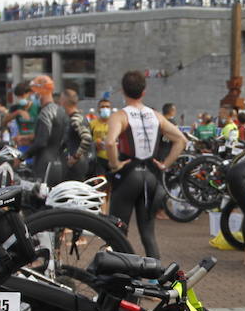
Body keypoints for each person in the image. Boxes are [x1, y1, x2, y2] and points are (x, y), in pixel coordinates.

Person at [105, 70, 186, 258]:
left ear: (123, 91)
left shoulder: (120, 116)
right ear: (144, 92)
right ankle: (154, 281)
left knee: (118, 232)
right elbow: (181, 140)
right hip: (151, 176)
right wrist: (165, 164)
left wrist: (115, 163)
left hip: (128, 176)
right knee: (148, 234)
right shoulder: (157, 116)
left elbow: (110, 142)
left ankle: (121, 278)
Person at [27, 75, 66, 183]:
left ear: (41, 92)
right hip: (58, 161)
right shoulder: (59, 110)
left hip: (44, 162)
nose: (33, 95)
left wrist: (22, 157)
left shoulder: (46, 113)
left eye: (34, 92)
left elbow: (41, 142)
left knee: (40, 197)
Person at [62, 89, 94, 182]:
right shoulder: (80, 116)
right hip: (82, 162)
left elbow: (87, 138)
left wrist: (75, 157)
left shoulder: (75, 118)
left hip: (77, 164)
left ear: (64, 101)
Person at [90, 98, 113, 176]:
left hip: (114, 159)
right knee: (100, 183)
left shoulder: (116, 123)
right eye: (102, 107)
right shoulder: (92, 124)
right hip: (99, 160)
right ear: (98, 109)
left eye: (107, 107)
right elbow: (87, 140)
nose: (105, 109)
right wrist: (95, 143)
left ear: (111, 109)